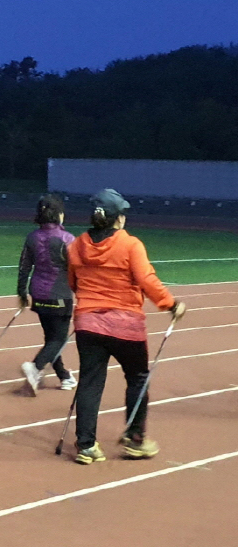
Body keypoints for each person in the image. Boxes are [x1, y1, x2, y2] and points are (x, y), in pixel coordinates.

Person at [68, 189, 185, 464]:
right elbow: (147, 280)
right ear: (117, 219)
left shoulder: (76, 245)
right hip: (125, 324)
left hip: (88, 322)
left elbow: (73, 283)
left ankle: (86, 445)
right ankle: (135, 439)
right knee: (137, 378)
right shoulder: (130, 245)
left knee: (90, 381)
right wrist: (170, 304)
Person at [17, 195, 77, 394]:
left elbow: (24, 267)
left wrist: (22, 292)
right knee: (58, 340)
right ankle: (35, 367)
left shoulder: (32, 237)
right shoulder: (67, 239)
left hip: (38, 294)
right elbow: (77, 269)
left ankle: (64, 376)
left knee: (52, 339)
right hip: (60, 294)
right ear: (59, 214)